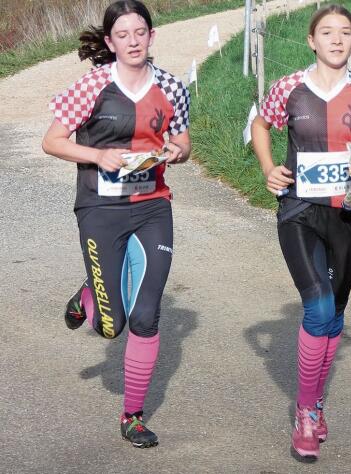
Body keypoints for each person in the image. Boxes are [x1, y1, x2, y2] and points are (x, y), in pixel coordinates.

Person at [249, 4, 351, 460]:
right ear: (311, 41)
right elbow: (259, 124)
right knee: (317, 305)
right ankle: (307, 411)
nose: (337, 40)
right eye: (327, 32)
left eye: (346, 32)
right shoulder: (288, 87)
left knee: (334, 313)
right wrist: (268, 167)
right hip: (298, 210)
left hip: (347, 213)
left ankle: (312, 401)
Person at [41, 0, 191, 448]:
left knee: (146, 316)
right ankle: (89, 292)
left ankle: (133, 415)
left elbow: (182, 137)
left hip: (152, 207)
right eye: (122, 35)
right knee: (111, 326)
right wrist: (97, 155)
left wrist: (177, 151)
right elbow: (52, 141)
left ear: (151, 37)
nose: (132, 42)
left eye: (139, 33)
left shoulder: (171, 86)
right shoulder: (92, 86)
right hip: (100, 210)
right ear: (110, 42)